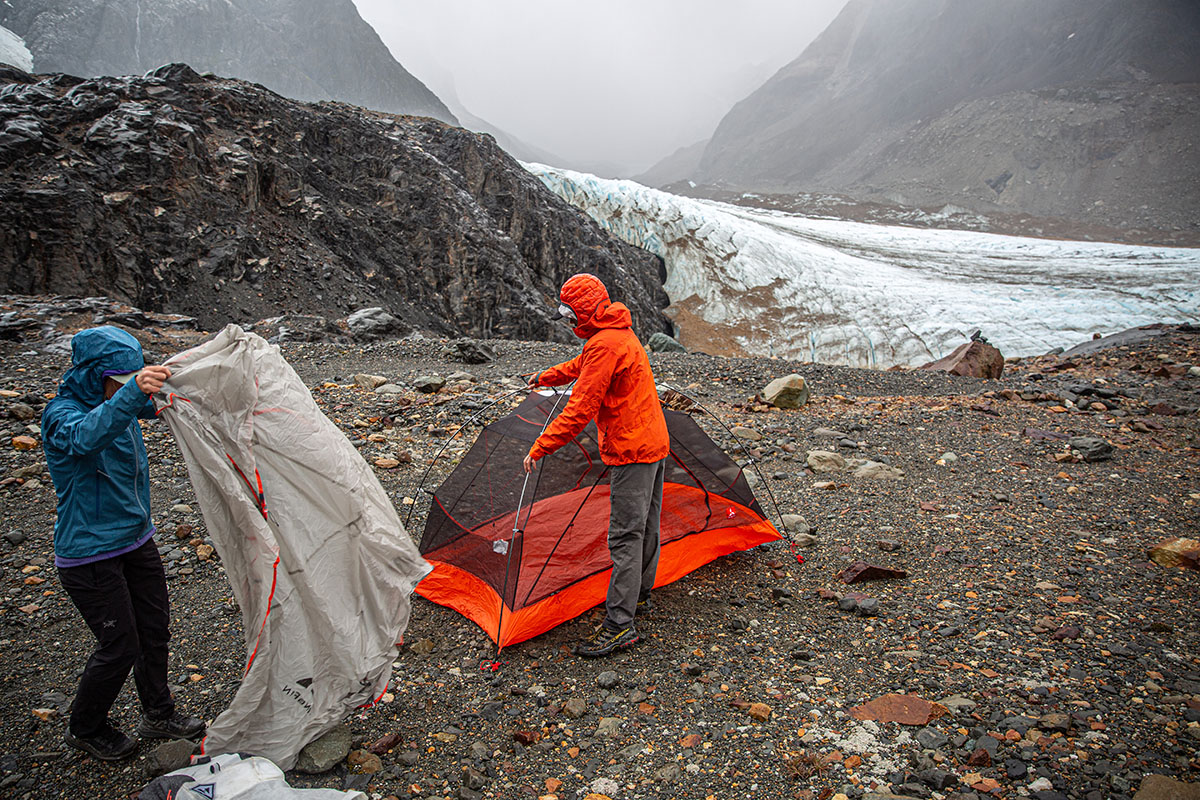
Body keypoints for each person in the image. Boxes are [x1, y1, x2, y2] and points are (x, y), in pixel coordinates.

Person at [42, 327, 205, 761]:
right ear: (95, 375)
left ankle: (157, 712)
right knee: (119, 645)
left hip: (137, 540)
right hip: (89, 554)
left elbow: (153, 405)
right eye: (119, 377)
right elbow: (86, 436)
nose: (126, 384)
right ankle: (86, 726)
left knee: (154, 630)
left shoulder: (117, 404)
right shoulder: (64, 415)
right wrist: (130, 393)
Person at [523, 273, 670, 657]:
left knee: (625, 536)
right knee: (646, 528)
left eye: (571, 315)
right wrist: (546, 377)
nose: (570, 323)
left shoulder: (605, 344)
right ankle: (638, 597)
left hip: (631, 452)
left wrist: (540, 446)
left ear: (584, 312)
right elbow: (583, 364)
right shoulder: (616, 332)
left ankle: (620, 625)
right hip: (654, 444)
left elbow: (579, 410)